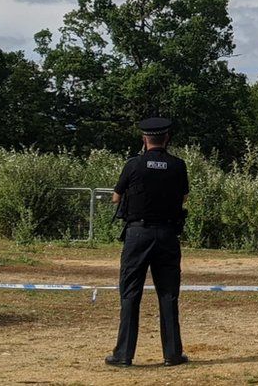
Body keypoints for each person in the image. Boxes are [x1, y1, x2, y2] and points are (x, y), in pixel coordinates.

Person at [105, 117, 190, 367]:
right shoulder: (178, 165)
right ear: (167, 138)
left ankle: (123, 355)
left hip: (137, 234)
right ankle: (172, 354)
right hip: (167, 235)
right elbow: (184, 196)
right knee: (168, 294)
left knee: (130, 294)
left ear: (144, 139)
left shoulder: (133, 165)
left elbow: (115, 198)